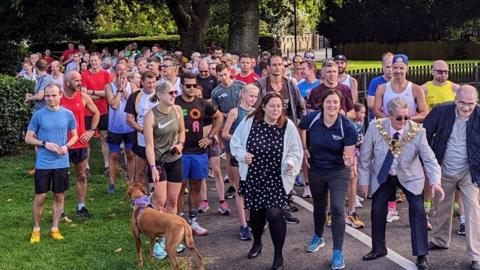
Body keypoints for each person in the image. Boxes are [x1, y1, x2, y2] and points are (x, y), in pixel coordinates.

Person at [358, 97, 445, 270]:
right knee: (377, 209)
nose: (404, 121)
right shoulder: (376, 128)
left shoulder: (417, 131)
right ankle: (378, 248)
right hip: (384, 174)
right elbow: (365, 157)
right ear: (389, 116)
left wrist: (435, 181)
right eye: (399, 118)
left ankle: (421, 255)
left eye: (407, 117)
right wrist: (364, 181)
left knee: (418, 212)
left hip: (411, 176)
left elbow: (430, 160)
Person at [231, 92, 303, 270]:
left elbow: (295, 150)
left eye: (279, 106)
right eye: (272, 106)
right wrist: (242, 155)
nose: (276, 109)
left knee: (274, 214)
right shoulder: (250, 122)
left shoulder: (287, 125)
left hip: (276, 178)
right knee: (256, 215)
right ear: (263, 106)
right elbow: (236, 142)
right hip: (254, 176)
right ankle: (257, 242)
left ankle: (278, 255)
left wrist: (290, 163)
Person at [298, 89, 358, 270]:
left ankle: (338, 252)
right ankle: (318, 236)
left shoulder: (347, 126)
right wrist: (304, 148)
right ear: (322, 104)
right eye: (328, 102)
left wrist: (349, 160)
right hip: (316, 168)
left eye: (336, 102)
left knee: (338, 208)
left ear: (340, 105)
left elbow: (349, 155)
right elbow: (300, 127)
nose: (332, 105)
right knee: (319, 205)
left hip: (338, 170)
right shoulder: (313, 118)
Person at [423, 85, 480, 270]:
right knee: (441, 206)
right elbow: (424, 133)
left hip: (469, 170)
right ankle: (440, 240)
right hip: (444, 168)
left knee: (473, 210)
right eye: (462, 103)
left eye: (470, 104)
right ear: (456, 100)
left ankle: (476, 255)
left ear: (476, 102)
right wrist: (431, 161)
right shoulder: (441, 111)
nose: (466, 108)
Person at [25, 84, 78, 243]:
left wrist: (66, 146)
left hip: (62, 162)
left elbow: (75, 136)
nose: (50, 99)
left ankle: (54, 228)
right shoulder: (38, 115)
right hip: (43, 163)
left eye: (54, 95)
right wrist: (44, 144)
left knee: (59, 196)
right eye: (47, 96)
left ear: (60, 94)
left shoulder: (68, 114)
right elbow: (28, 138)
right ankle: (36, 229)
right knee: (40, 197)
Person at [175, 72, 223, 235]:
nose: (191, 89)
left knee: (196, 187)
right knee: (179, 188)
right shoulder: (175, 103)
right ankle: (179, 222)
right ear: (181, 86)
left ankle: (193, 221)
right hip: (180, 153)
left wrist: (210, 137)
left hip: (198, 152)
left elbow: (219, 116)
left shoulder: (202, 103)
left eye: (194, 85)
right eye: (188, 86)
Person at [60, 71, 100, 219]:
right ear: (67, 82)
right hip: (63, 145)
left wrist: (91, 130)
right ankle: (61, 209)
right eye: (76, 80)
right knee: (62, 177)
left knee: (82, 175)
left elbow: (96, 113)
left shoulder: (83, 96)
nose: (79, 83)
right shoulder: (58, 97)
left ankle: (81, 207)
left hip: (80, 144)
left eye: (80, 80)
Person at [222, 84, 259, 241]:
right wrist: (240, 141)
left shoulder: (256, 112)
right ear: (243, 95)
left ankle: (251, 221)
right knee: (240, 189)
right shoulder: (235, 112)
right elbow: (225, 133)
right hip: (237, 155)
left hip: (251, 156)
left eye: (256, 97)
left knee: (252, 189)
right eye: (251, 96)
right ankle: (243, 225)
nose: (253, 99)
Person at [144, 81, 185, 214]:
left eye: (175, 92)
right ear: (160, 95)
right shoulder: (150, 116)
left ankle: (170, 231)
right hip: (158, 162)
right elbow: (149, 145)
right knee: (159, 202)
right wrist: (152, 167)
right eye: (171, 93)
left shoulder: (177, 110)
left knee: (173, 200)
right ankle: (158, 233)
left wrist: (180, 145)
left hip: (175, 160)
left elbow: (182, 131)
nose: (174, 95)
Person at [105, 63, 136, 192]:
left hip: (129, 127)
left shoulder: (133, 86)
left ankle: (131, 182)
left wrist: (124, 90)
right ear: (115, 71)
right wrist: (118, 90)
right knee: (114, 155)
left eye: (124, 69)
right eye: (119, 69)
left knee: (130, 154)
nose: (122, 72)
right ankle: (112, 183)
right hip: (115, 128)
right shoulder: (109, 87)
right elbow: (114, 105)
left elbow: (134, 103)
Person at [81, 52, 112, 176]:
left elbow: (107, 93)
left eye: (96, 60)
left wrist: (92, 92)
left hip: (103, 110)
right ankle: (86, 166)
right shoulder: (84, 74)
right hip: (88, 111)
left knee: (104, 138)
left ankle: (107, 165)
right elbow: (84, 93)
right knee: (86, 138)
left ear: (100, 61)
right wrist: (99, 94)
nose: (94, 63)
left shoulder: (106, 74)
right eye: (92, 61)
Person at [125, 71, 159, 183]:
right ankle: (139, 197)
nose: (152, 85)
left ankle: (156, 195)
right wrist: (143, 130)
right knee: (140, 170)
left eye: (154, 82)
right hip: (141, 138)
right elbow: (129, 119)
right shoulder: (135, 96)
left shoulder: (160, 95)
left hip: (159, 138)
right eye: (149, 83)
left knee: (157, 169)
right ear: (142, 82)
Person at [366, 52, 394, 121]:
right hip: (377, 119)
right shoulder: (375, 82)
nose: (390, 70)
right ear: (383, 66)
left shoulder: (399, 82)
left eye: (392, 67)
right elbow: (370, 104)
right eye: (387, 67)